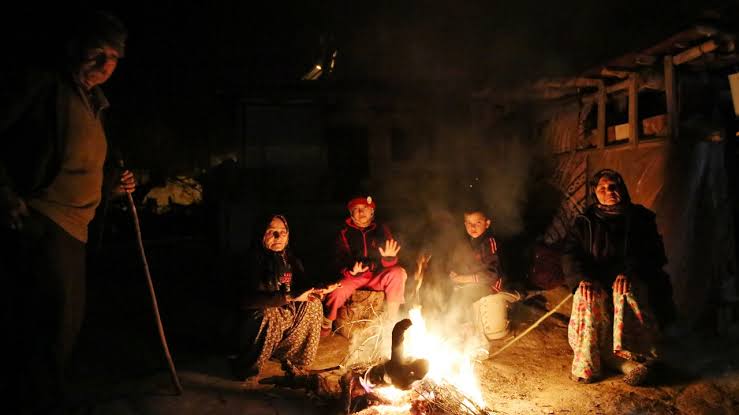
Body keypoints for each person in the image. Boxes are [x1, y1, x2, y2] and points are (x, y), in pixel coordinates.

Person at [0, 11, 136, 412]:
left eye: (112, 58)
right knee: (46, 332)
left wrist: (111, 187)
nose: (103, 65)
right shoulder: (45, 86)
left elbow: (80, 169)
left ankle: (47, 398)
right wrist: (4, 192)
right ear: (75, 48)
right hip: (43, 221)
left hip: (77, 229)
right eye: (97, 52)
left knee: (65, 330)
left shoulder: (94, 104)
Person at [562, 169, 674, 386]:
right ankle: (587, 365)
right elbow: (571, 254)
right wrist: (582, 279)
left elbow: (652, 253)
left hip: (629, 279)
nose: (609, 191)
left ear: (622, 188)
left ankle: (636, 358)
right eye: (602, 188)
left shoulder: (641, 218)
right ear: (595, 194)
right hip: (595, 280)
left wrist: (629, 273)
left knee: (625, 291)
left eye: (613, 186)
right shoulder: (585, 222)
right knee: (586, 296)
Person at [230, 214, 338, 380]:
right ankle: (248, 367)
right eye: (272, 231)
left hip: (284, 323)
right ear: (260, 234)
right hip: (252, 327)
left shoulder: (289, 260)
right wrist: (288, 297)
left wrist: (320, 289)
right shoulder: (251, 261)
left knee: (313, 303)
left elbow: (303, 287)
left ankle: (295, 359)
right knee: (269, 314)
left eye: (283, 231)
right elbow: (244, 300)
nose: (278, 236)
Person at [322, 196, 407, 336]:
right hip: (354, 277)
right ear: (351, 213)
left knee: (399, 273)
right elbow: (338, 258)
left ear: (372, 212)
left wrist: (389, 259)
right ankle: (326, 324)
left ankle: (392, 322)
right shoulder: (343, 232)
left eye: (365, 209)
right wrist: (351, 270)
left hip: (376, 277)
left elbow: (390, 254)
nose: (361, 212)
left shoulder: (381, 229)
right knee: (337, 291)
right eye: (357, 209)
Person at [447, 207, 520, 353]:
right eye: (468, 223)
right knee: (448, 290)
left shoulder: (489, 242)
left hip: (492, 284)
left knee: (464, 296)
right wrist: (454, 273)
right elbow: (460, 261)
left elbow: (492, 275)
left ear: (487, 223)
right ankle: (454, 329)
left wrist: (464, 279)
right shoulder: (468, 240)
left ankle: (474, 339)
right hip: (473, 281)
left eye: (477, 223)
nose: (472, 227)